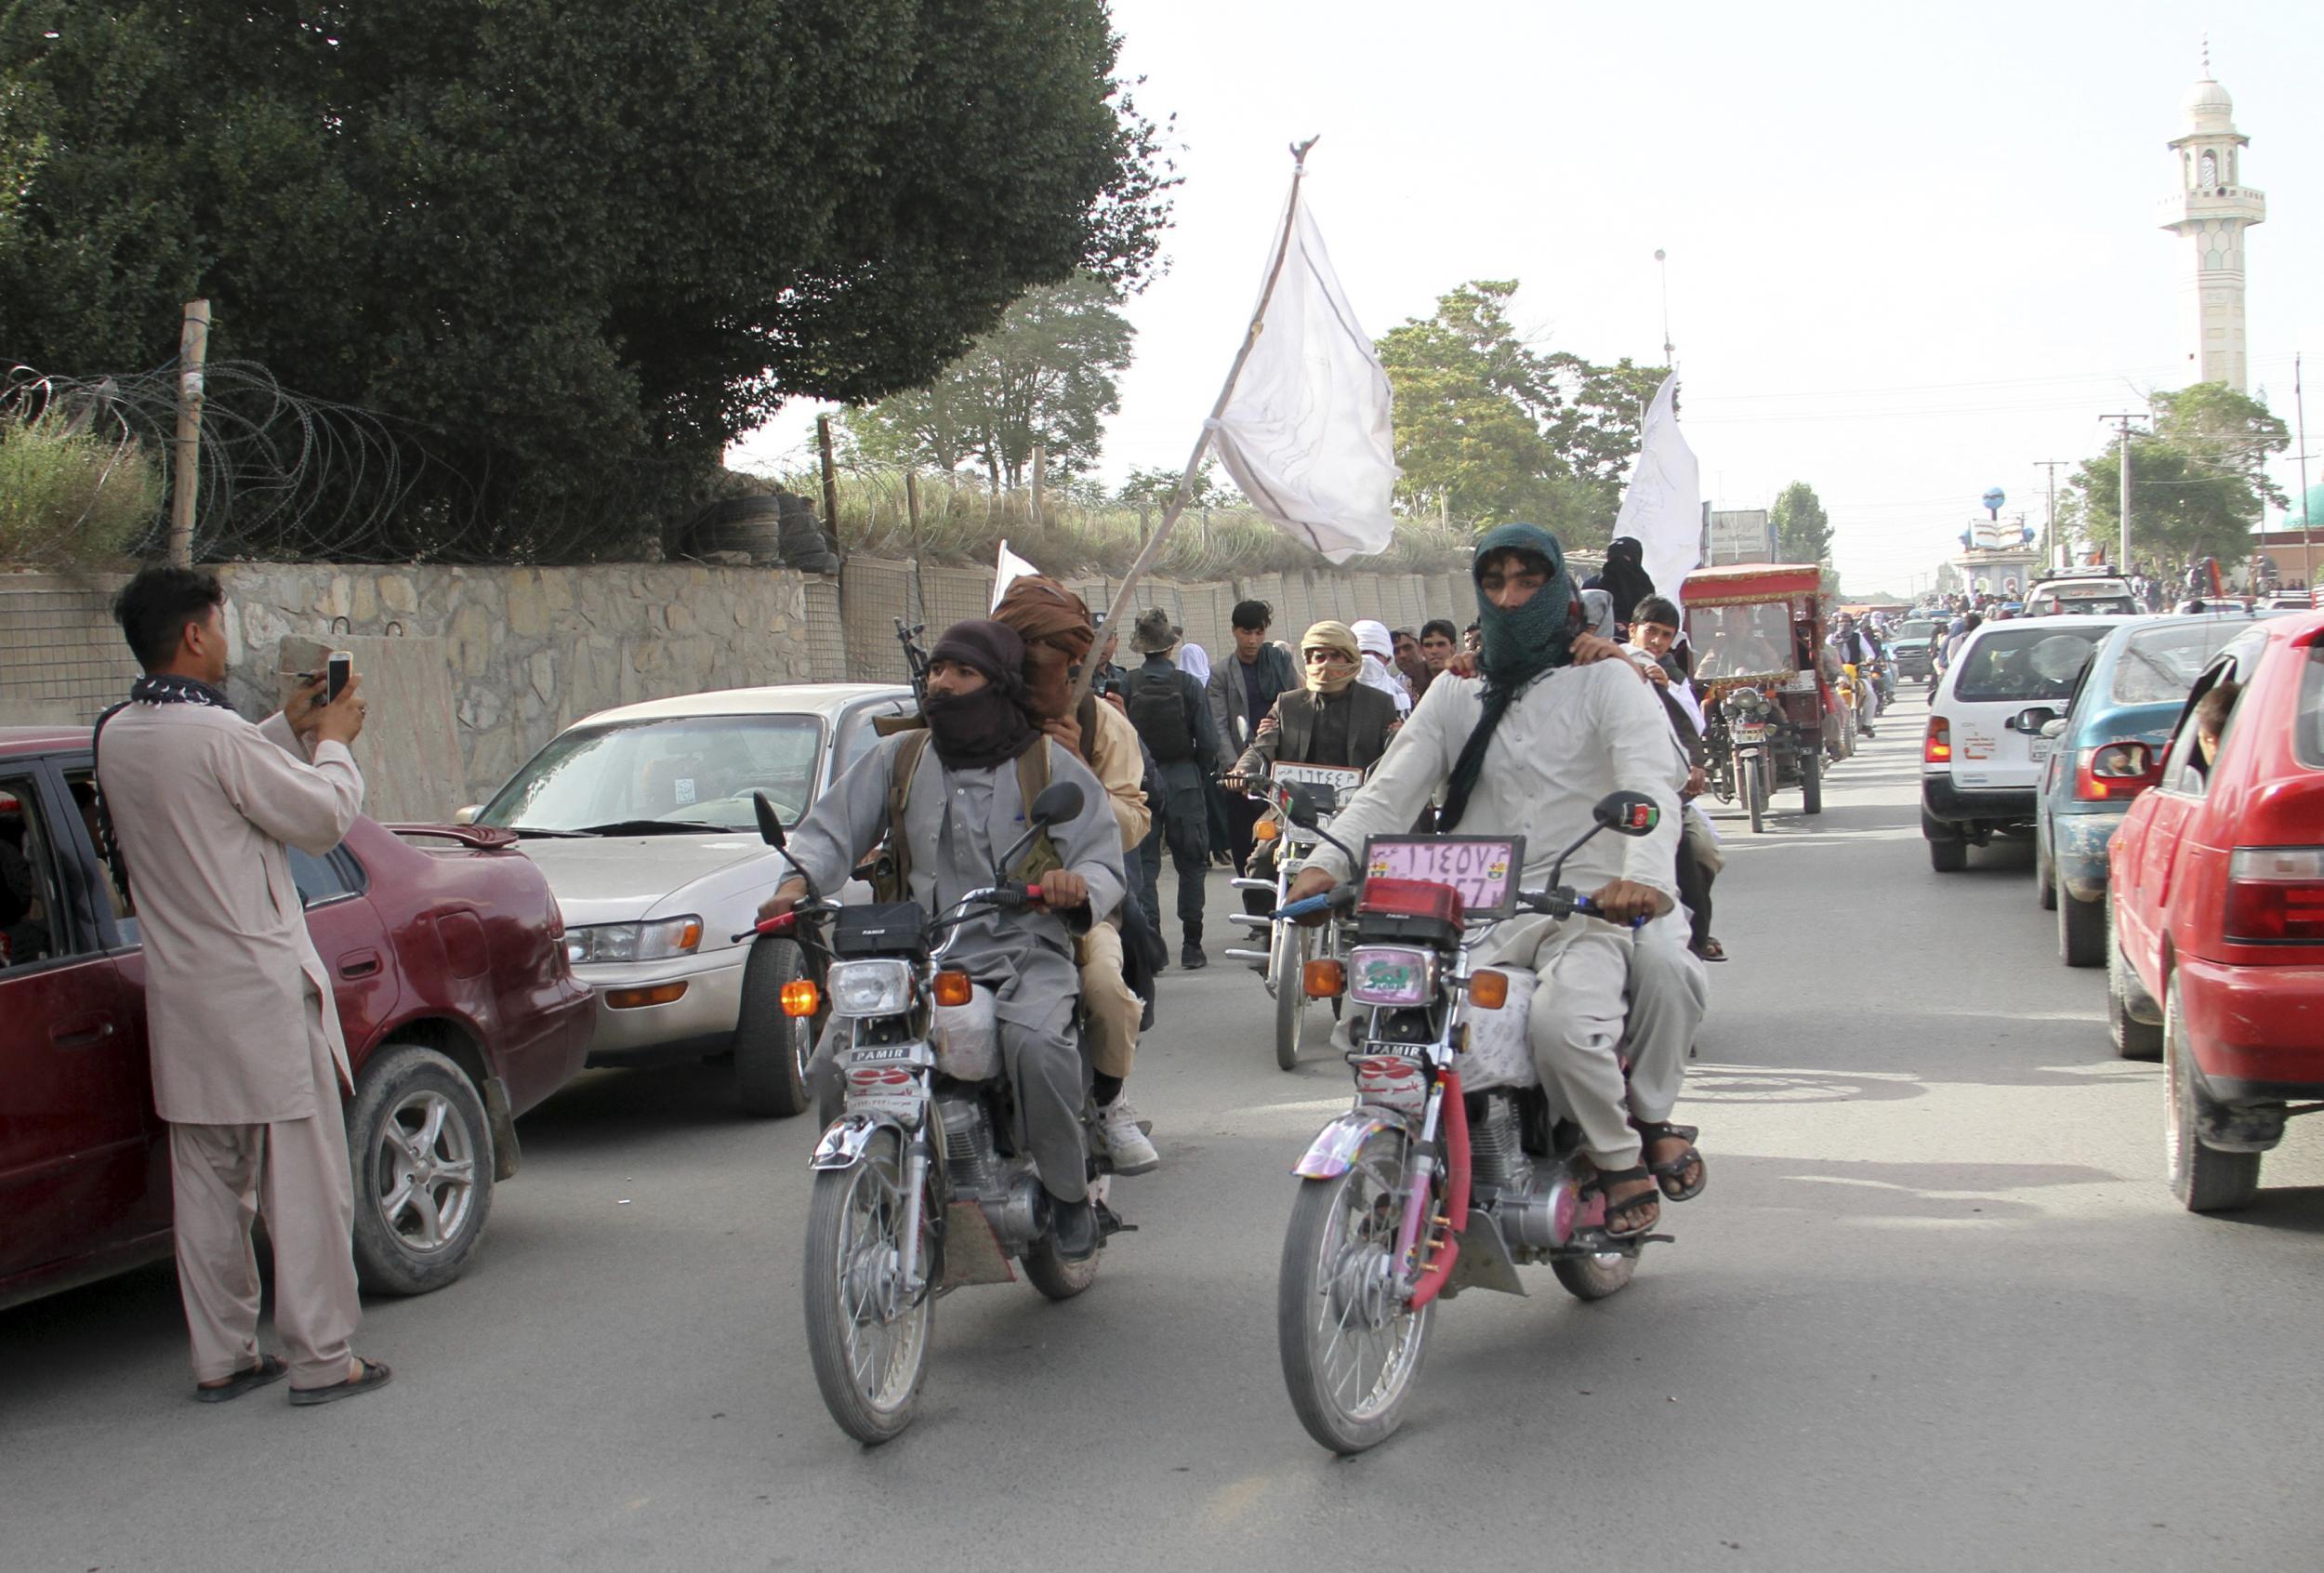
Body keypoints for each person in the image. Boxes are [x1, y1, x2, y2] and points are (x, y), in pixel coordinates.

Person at [1285, 525, 1707, 1240]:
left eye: (1528, 582)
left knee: (1567, 1026)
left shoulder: (1606, 678)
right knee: (1396, 1023)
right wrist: (1326, 863)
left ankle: (1619, 1150)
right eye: (1496, 583)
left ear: (1559, 593)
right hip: (1482, 907)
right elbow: (1392, 790)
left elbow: (1646, 782)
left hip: (1589, 901)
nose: (1511, 597)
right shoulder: (1459, 689)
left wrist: (1639, 879)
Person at [93, 566, 389, 1405]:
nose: (227, 640)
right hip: (259, 991)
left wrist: (281, 726)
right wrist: (331, 740)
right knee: (303, 1188)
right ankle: (325, 1359)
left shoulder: (120, 732)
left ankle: (222, 1357)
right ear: (194, 634)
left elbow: (209, 775)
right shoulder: (214, 737)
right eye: (220, 625)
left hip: (183, 1000)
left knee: (210, 1191)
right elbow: (321, 815)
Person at [761, 619, 1126, 1259]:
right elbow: (829, 834)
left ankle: (1070, 1199)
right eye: (936, 671)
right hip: (910, 953)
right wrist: (794, 886)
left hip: (1021, 948)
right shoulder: (898, 758)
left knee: (1038, 1049)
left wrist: (1074, 885)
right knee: (830, 1064)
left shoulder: (1046, 764)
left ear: (998, 684)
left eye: (962, 673)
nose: (943, 684)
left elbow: (1101, 858)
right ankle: (866, 1187)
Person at [992, 577, 1161, 1173]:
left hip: (1075, 904)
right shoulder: (968, 723)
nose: (1058, 681)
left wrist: (1077, 771)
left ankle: (1110, 1102)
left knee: (1106, 992)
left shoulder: (1101, 725)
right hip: (981, 909)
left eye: (1066, 668)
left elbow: (1133, 819)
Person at [1229, 620, 1402, 917]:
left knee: (1382, 871)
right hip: (1293, 811)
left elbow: (1395, 747)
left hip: (1354, 810)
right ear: (1307, 660)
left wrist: (1399, 738)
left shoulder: (1380, 704)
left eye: (1336, 656)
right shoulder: (1287, 704)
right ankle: (1267, 933)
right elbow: (1262, 746)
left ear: (1352, 659)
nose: (1326, 664)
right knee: (1262, 860)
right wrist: (1242, 771)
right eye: (1318, 656)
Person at [1628, 597, 1725, 963]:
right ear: (1631, 630)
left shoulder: (1674, 678)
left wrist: (1666, 688)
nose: (1655, 642)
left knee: (1702, 851)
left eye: (1665, 636)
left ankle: (1696, 932)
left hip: (1668, 792)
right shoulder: (1608, 665)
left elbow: (1690, 729)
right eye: (1650, 631)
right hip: (1616, 790)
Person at [1123, 608, 1221, 969]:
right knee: (1192, 864)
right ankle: (1192, 946)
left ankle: (1153, 947)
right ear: (1169, 647)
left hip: (1140, 783)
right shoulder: (1188, 684)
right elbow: (1208, 740)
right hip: (1184, 780)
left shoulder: (1128, 684)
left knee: (1145, 866)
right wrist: (1199, 770)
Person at [1204, 599, 1297, 880]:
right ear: (1234, 631)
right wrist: (1237, 771)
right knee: (1245, 850)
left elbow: (1297, 707)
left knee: (1285, 849)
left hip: (1281, 771)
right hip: (1241, 776)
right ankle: (1256, 917)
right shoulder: (1221, 673)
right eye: (1246, 632)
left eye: (1258, 632)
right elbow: (1219, 725)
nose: (1252, 640)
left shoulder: (1281, 664)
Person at [1584, 536, 1656, 641]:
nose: (1617, 563)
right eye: (1613, 558)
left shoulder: (1645, 587)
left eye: (1624, 558)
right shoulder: (1592, 585)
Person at [1351, 618, 1413, 716]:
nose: (1369, 659)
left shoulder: (1399, 696)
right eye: (1363, 652)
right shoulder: (1336, 693)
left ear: (1387, 660)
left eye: (1377, 654)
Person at [1418, 618, 1459, 690]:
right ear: (1421, 650)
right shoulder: (1415, 686)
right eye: (1428, 645)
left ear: (1454, 648)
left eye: (1440, 644)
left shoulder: (1464, 680)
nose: (1434, 651)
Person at [1391, 628, 1430, 698]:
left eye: (1407, 648)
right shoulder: (1396, 686)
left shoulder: (1437, 676)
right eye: (1396, 651)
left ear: (1421, 648)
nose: (1402, 655)